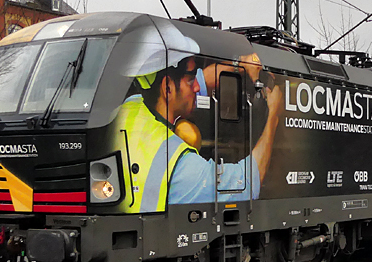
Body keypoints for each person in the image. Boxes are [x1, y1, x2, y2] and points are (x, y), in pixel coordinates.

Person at [113, 23, 282, 212]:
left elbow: (205, 78)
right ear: (167, 88)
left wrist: (241, 64)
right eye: (191, 80)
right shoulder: (181, 166)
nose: (197, 87)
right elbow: (249, 182)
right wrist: (273, 114)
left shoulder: (129, 108)